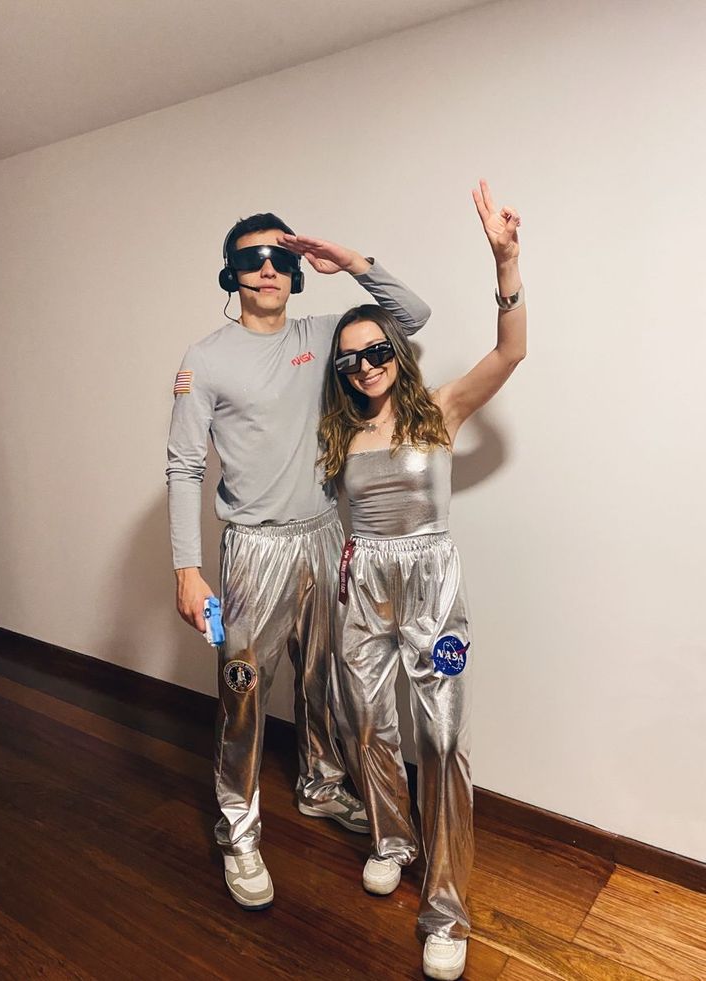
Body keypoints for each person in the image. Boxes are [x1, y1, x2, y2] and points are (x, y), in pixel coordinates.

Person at [165, 211, 431, 910]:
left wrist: (348, 259)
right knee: (245, 691)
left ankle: (319, 784)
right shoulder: (207, 357)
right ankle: (238, 827)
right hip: (252, 549)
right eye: (251, 259)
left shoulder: (325, 336)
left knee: (327, 679)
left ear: (296, 271)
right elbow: (185, 464)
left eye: (280, 259)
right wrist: (187, 567)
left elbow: (412, 315)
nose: (266, 270)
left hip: (323, 533)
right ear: (231, 273)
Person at [319, 181, 525, 980]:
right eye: (351, 358)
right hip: (361, 584)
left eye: (377, 350)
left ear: (395, 354)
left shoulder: (439, 408)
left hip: (433, 583)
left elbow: (510, 351)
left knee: (440, 738)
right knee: (368, 722)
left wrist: (506, 262)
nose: (366, 364)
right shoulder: (337, 428)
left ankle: (445, 908)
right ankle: (393, 838)